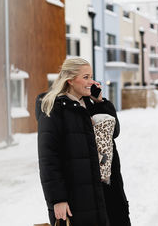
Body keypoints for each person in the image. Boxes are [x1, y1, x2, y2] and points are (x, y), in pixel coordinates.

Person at [35, 58, 131, 226]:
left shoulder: (90, 103)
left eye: (92, 77)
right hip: (77, 197)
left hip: (105, 192)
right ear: (70, 80)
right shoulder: (54, 109)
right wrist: (57, 199)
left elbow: (113, 132)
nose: (91, 82)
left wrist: (100, 102)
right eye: (86, 77)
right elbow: (48, 159)